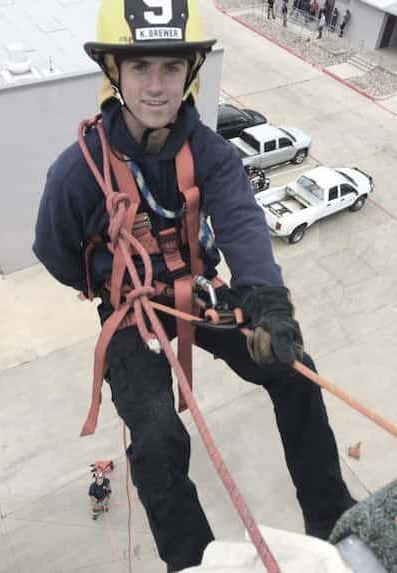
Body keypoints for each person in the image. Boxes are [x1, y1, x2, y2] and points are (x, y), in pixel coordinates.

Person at [33, 0, 355, 571]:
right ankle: (194, 561)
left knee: (294, 369)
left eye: (171, 68)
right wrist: (114, 285)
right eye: (140, 68)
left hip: (198, 291)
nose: (157, 86)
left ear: (191, 73)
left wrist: (266, 302)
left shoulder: (208, 152)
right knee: (158, 439)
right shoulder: (77, 171)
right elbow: (57, 254)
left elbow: (240, 221)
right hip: (131, 313)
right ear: (114, 73)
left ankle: (330, 518)